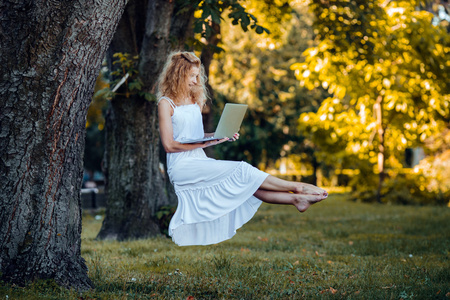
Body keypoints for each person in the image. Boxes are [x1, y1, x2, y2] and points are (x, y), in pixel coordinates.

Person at [157, 51, 328, 246]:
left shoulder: (195, 101)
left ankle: (297, 200)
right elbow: (169, 145)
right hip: (182, 166)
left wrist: (218, 136)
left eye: (197, 76)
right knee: (243, 170)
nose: (196, 81)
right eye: (192, 76)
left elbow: (195, 135)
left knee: (247, 186)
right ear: (178, 75)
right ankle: (296, 187)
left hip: (199, 160)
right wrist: (208, 142)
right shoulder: (166, 103)